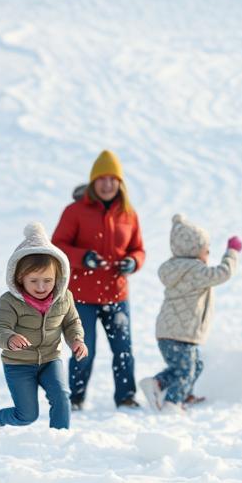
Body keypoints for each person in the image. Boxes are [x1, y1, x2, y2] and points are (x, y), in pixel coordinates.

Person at [52, 150, 145, 410]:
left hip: (117, 295)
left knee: (123, 350)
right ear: (93, 182)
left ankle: (126, 397)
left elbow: (139, 249)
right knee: (84, 349)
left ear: (120, 183)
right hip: (82, 296)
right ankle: (75, 398)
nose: (107, 184)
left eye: (112, 179)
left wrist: (133, 262)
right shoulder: (75, 211)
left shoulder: (128, 213)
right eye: (102, 179)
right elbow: (57, 246)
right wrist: (84, 258)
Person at [0, 223, 88, 432]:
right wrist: (9, 337)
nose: (41, 287)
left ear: (58, 277)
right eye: (34, 280)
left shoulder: (64, 298)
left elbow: (71, 322)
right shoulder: (10, 301)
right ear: (20, 278)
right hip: (18, 364)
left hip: (50, 359)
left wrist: (76, 339)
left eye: (47, 280)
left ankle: (59, 439)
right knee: (27, 415)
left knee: (61, 396)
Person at [140, 215, 241, 413]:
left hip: (174, 332)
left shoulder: (179, 269)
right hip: (179, 333)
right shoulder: (194, 270)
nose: (208, 253)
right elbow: (222, 273)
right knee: (186, 369)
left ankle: (160, 385)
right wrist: (232, 252)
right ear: (193, 249)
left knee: (195, 365)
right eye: (206, 249)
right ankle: (172, 402)